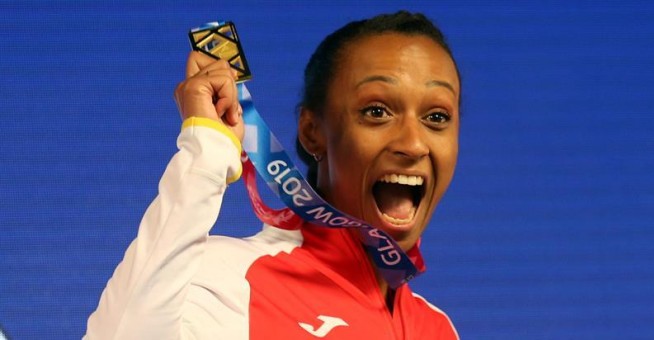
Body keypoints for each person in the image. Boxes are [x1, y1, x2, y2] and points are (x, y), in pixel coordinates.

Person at [85, 11, 460, 339]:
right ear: (313, 131)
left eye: (437, 117)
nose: (413, 144)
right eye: (377, 112)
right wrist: (208, 152)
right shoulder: (232, 279)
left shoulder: (437, 328)